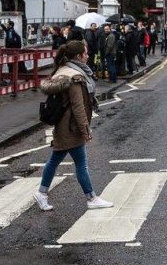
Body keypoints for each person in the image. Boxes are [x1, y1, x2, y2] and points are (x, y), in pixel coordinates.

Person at [34, 41, 113, 211]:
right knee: (79, 163)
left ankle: (42, 193)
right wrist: (85, 130)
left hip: (64, 125)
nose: (88, 55)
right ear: (79, 56)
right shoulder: (75, 77)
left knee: (56, 160)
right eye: (86, 53)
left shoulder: (64, 70)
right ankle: (91, 198)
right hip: (71, 126)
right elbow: (78, 107)